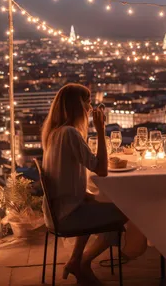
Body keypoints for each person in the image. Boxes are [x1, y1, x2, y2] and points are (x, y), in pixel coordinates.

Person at [41, 83, 126, 285]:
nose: (90, 108)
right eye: (87, 102)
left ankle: (75, 260)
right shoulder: (70, 133)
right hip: (68, 214)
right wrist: (100, 130)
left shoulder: (54, 132)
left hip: (57, 210)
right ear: (76, 106)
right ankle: (83, 262)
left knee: (98, 203)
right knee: (125, 212)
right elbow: (102, 169)